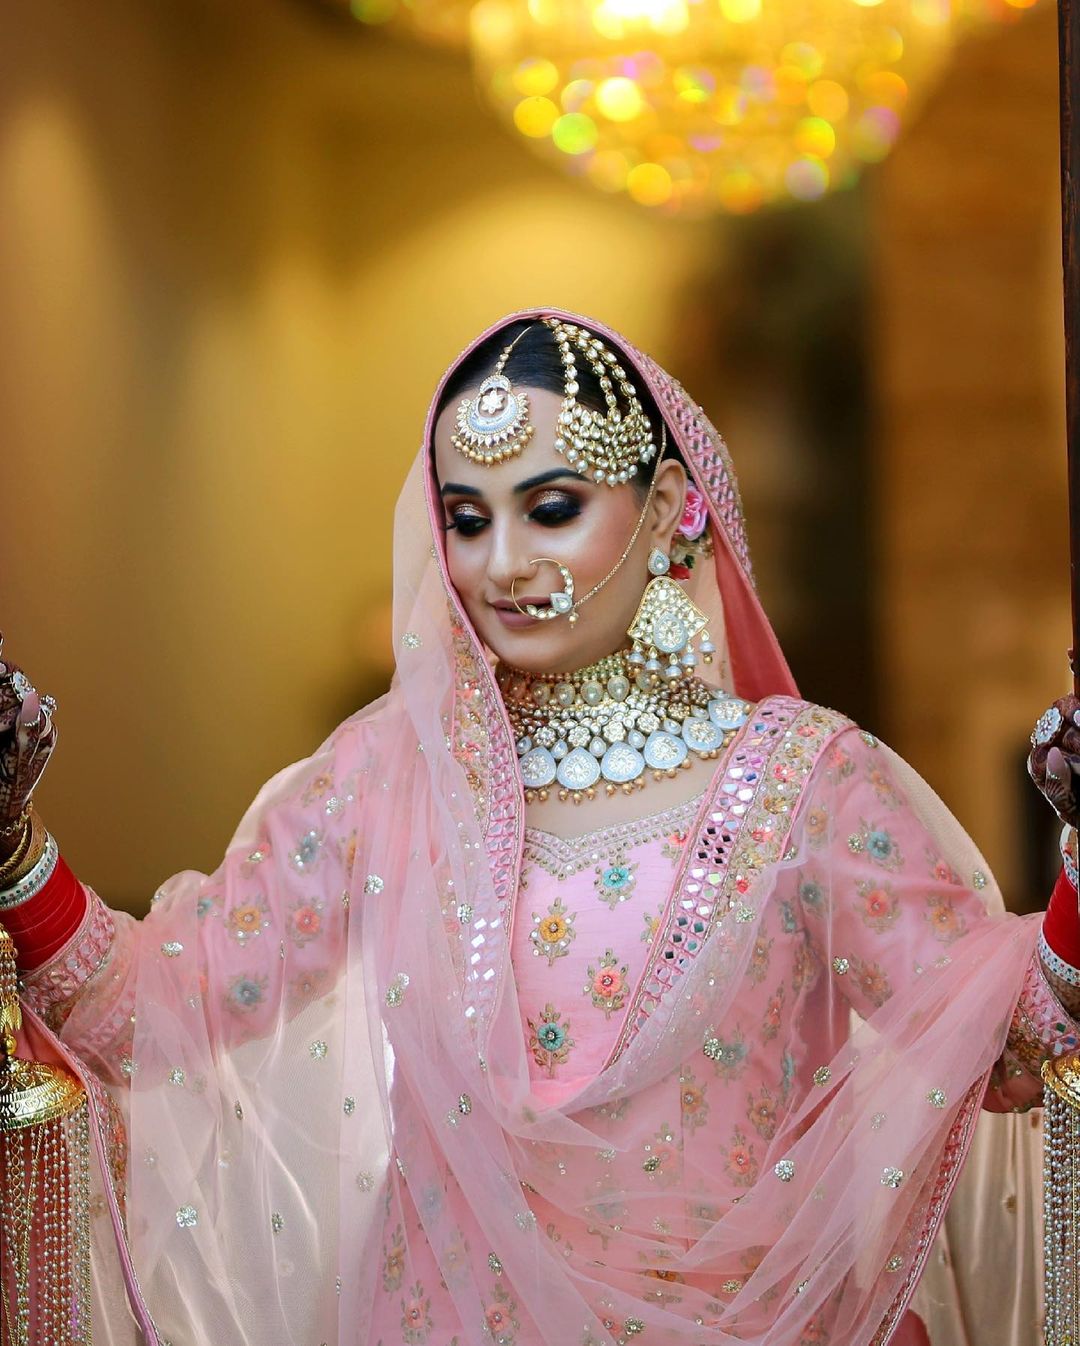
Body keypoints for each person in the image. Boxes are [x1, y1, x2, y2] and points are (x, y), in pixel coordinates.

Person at [2, 308, 1079, 1346]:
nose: (501, 563)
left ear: (668, 508)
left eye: (551, 507)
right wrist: (12, 846)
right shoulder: (395, 775)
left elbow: (1014, 1042)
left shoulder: (808, 783)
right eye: (468, 520)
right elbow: (147, 1007)